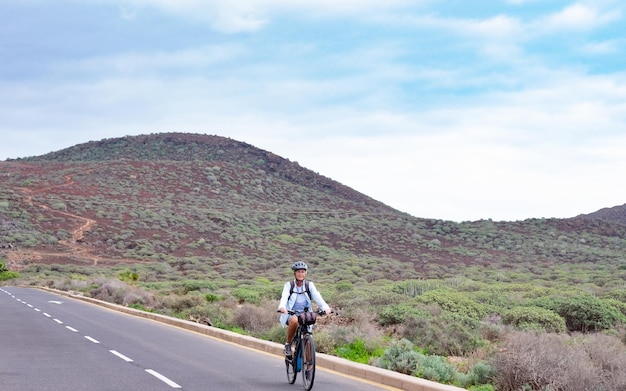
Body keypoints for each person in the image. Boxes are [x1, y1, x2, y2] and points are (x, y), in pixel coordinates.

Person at [278, 261, 331, 358]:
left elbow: (317, 296)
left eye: (303, 272)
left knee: (309, 339)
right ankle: (288, 345)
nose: (301, 274)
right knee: (294, 321)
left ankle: (309, 368)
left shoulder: (309, 285)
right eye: (298, 272)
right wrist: (282, 307)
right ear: (294, 273)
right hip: (291, 313)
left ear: (305, 273)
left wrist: (325, 307)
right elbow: (284, 296)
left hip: (305, 314)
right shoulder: (289, 285)